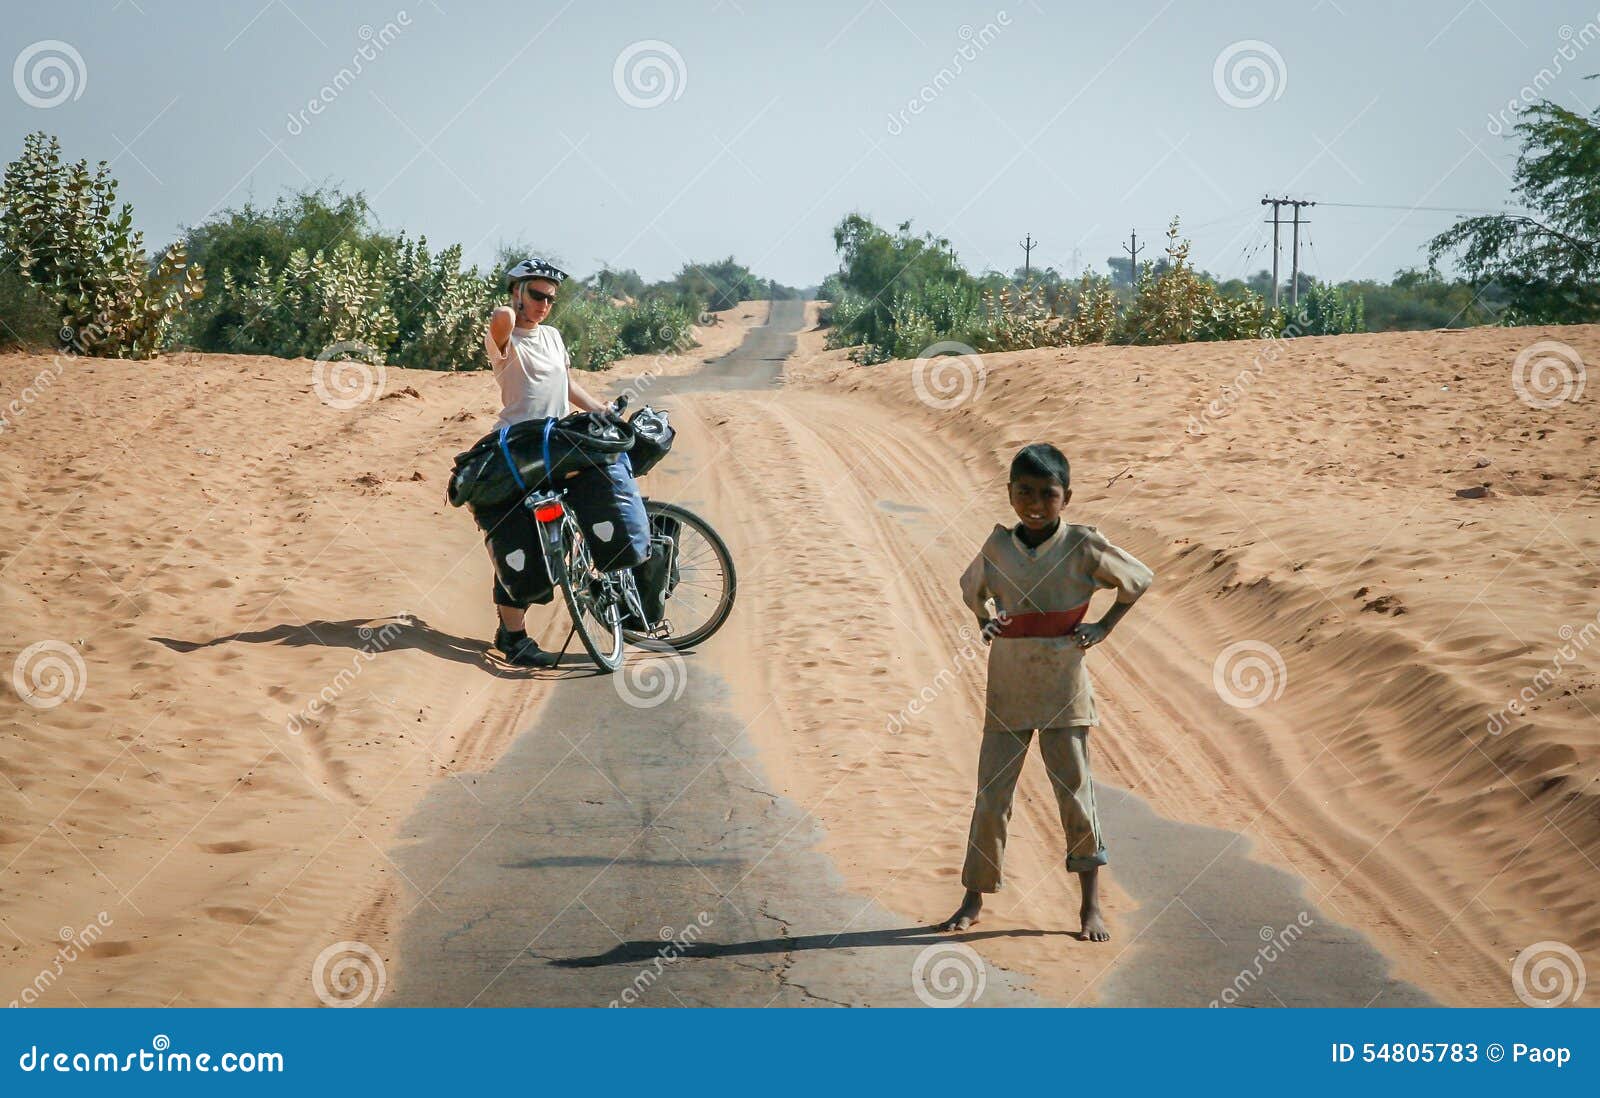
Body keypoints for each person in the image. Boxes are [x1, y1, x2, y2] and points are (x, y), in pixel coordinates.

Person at [939, 443, 1153, 942]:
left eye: (1046, 494)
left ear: (1067, 497)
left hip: (1063, 686)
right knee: (992, 796)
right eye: (1024, 493)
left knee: (1075, 796)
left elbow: (1138, 580)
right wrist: (985, 622)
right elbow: (972, 589)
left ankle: (1089, 906)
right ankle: (974, 896)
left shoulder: (1083, 545)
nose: (1035, 504)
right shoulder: (998, 547)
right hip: (1009, 683)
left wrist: (1104, 626)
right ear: (1010, 495)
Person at [471, 258, 635, 667]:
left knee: (592, 504)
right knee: (520, 536)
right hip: (518, 448)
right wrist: (512, 305)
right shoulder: (506, 340)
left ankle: (598, 585)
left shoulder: (553, 337)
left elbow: (566, 383)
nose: (544, 304)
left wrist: (599, 408)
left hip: (558, 442)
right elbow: (499, 321)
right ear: (518, 292)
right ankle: (513, 636)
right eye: (537, 295)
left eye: (550, 298)